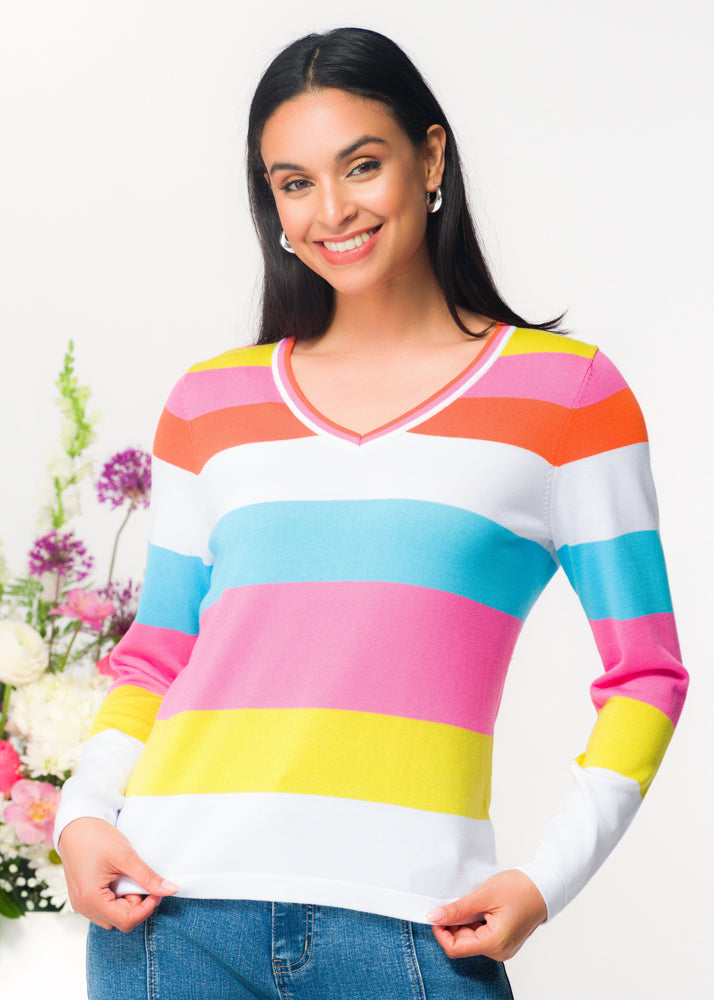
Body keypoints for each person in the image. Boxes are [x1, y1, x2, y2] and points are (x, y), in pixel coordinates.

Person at [55, 27, 688, 1000]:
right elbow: (156, 655)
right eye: (294, 182)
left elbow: (647, 674)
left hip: (410, 932)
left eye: (360, 165)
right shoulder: (209, 403)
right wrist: (83, 813)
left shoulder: (568, 395)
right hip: (170, 918)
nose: (332, 210)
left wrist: (546, 879)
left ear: (430, 158)